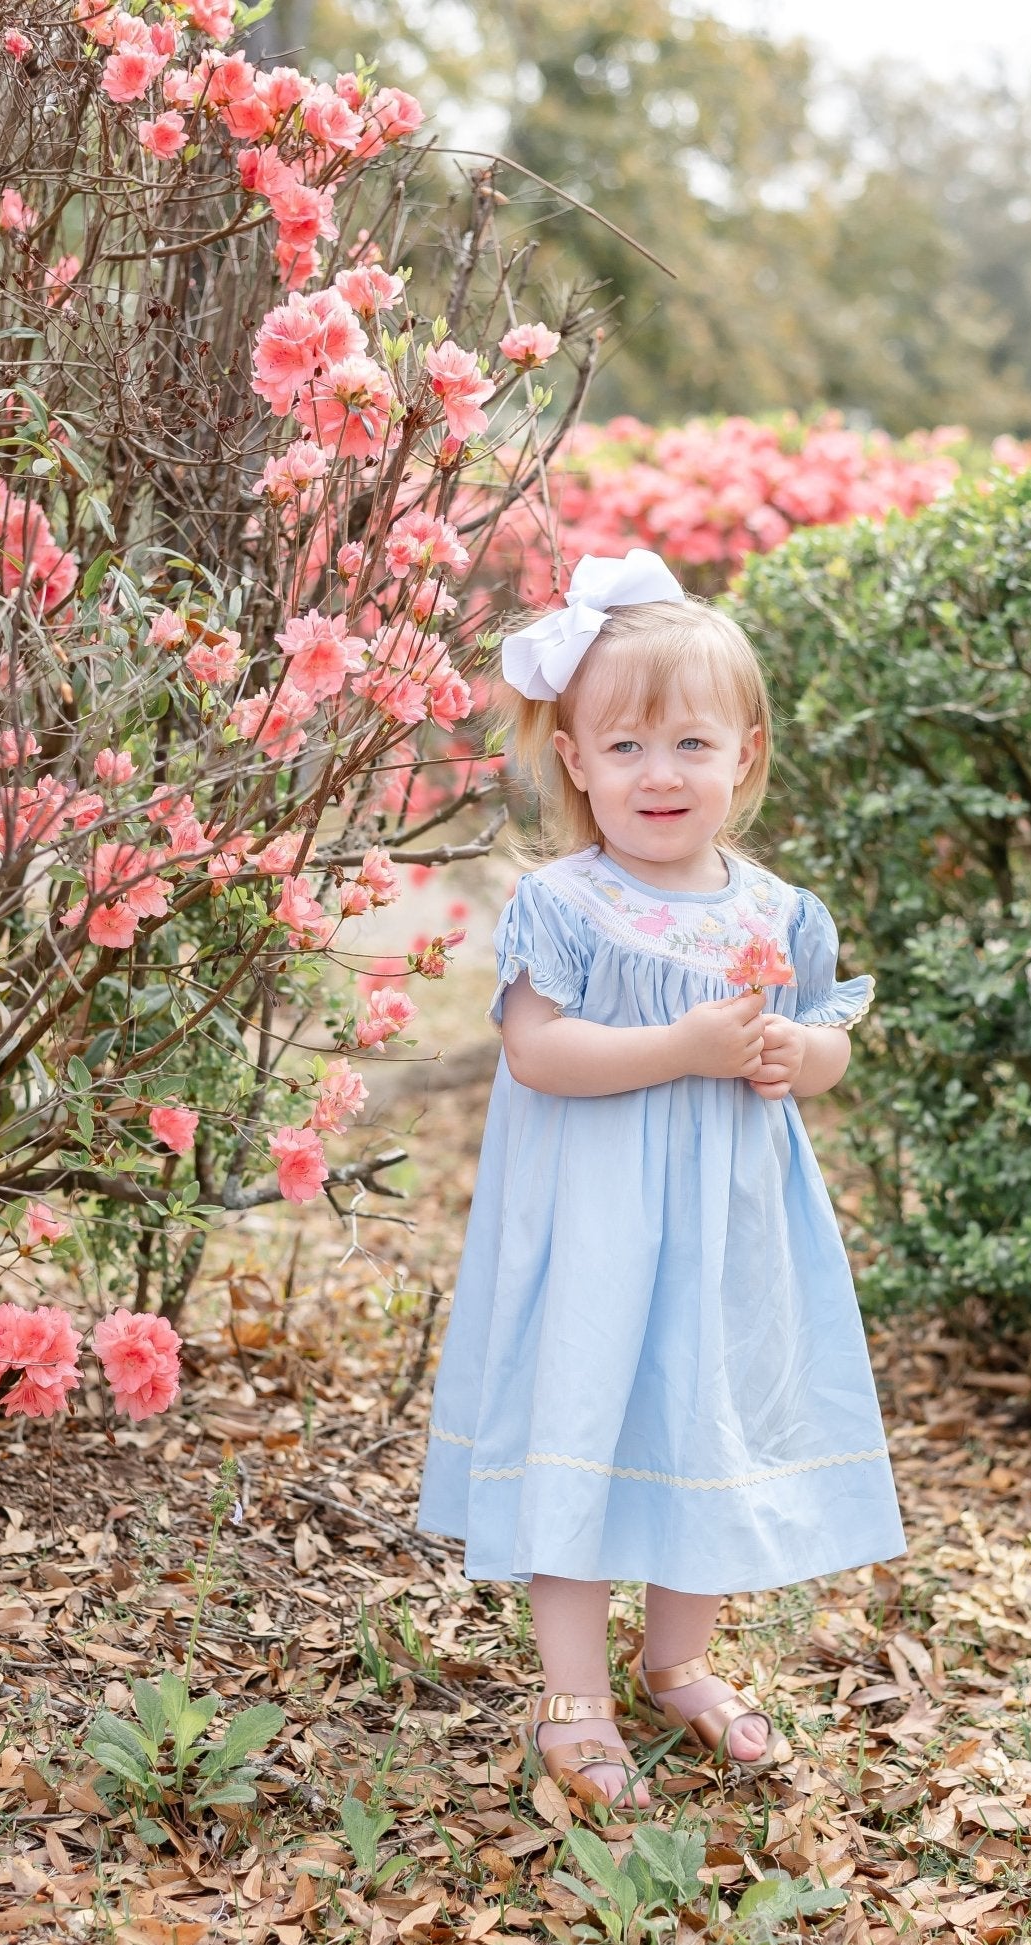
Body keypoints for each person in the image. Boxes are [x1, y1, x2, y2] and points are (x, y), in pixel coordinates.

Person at [415, 548, 908, 1808]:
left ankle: (676, 1656)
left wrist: (803, 1055)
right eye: (623, 747)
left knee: (710, 1425)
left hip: (730, 1233)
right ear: (572, 758)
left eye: (689, 743)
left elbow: (827, 1039)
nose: (658, 773)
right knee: (584, 1424)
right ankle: (572, 1689)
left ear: (742, 753)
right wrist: (681, 1046)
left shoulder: (779, 911)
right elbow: (535, 1051)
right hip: (595, 1229)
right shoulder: (566, 903)